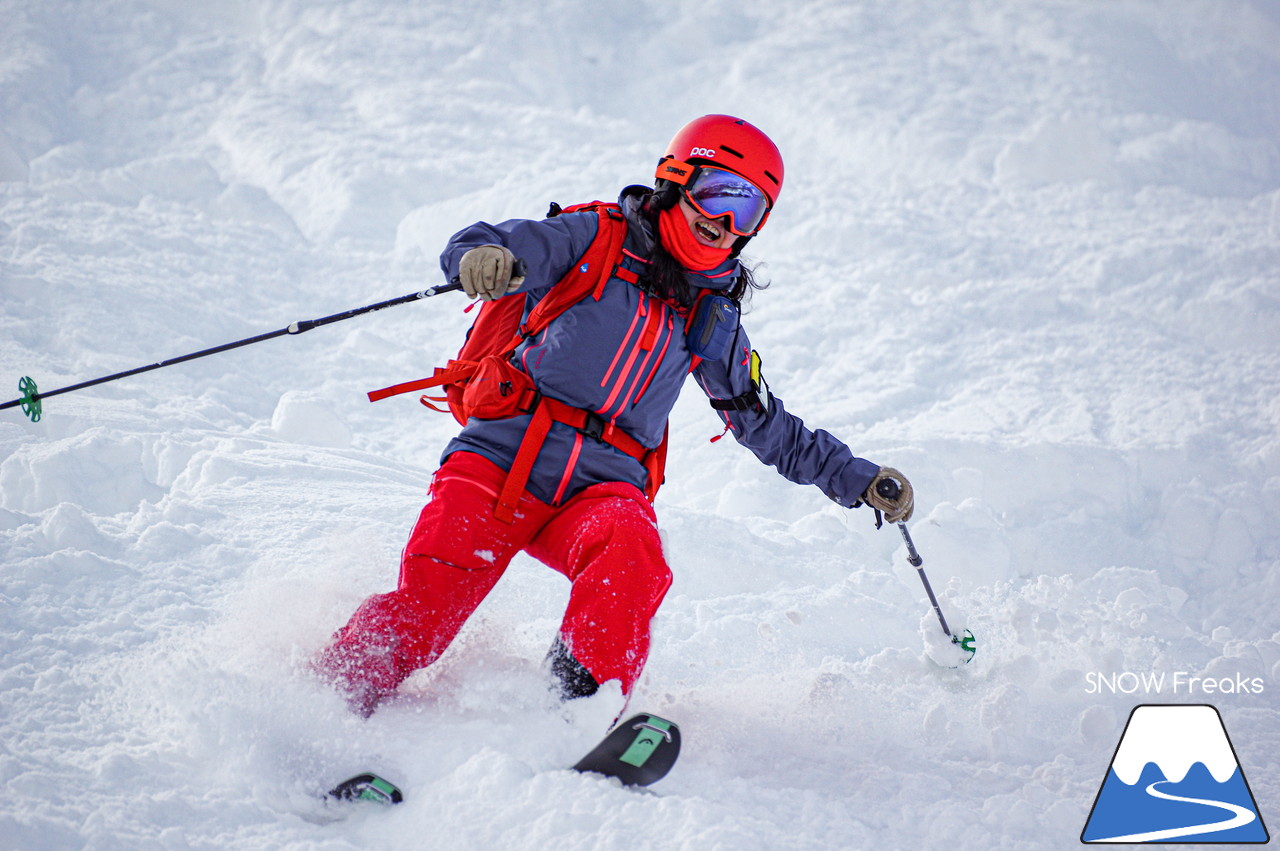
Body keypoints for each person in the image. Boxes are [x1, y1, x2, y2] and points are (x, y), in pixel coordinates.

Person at [313, 114, 914, 717]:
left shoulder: (711, 313)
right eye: (715, 192)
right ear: (677, 179)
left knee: (633, 552)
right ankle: (323, 701)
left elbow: (764, 424)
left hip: (601, 489)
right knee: (427, 611)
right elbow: (486, 240)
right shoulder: (593, 238)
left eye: (749, 209)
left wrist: (856, 478)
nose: (725, 221)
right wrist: (480, 257)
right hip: (500, 462)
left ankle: (577, 711)